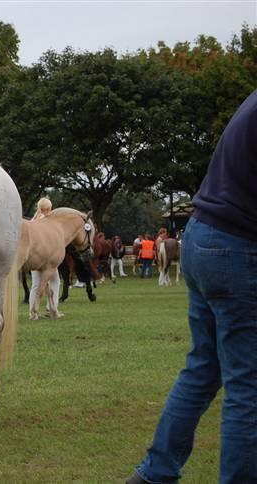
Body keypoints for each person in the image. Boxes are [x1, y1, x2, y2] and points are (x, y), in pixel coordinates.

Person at [127, 89, 257, 484]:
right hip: (237, 245)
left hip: (204, 235)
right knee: (249, 386)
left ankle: (155, 473)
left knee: (204, 367)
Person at [30, 197, 63, 314]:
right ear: (49, 208)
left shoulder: (34, 219)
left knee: (35, 284)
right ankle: (51, 308)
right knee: (55, 281)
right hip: (48, 257)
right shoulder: (48, 221)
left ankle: (32, 311)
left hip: (34, 256)